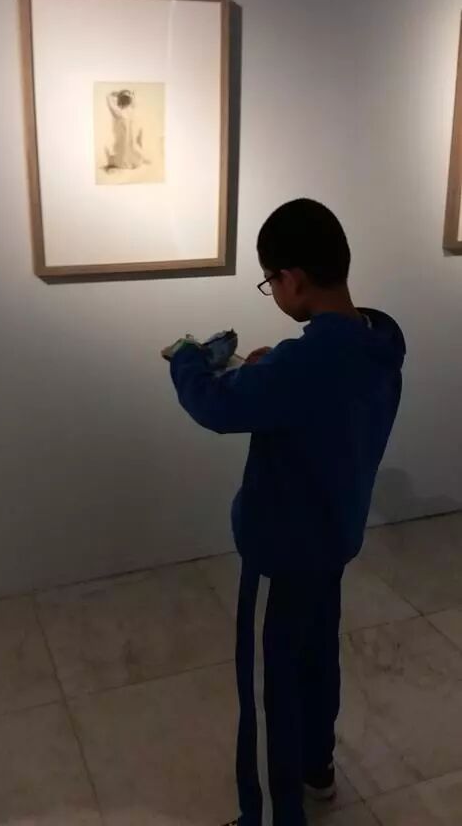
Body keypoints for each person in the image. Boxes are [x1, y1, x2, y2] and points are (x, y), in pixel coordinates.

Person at [167, 198, 405, 826]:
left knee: (271, 682)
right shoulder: (377, 342)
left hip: (283, 549)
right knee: (317, 659)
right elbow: (313, 392)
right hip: (333, 537)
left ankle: (272, 814)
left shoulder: (307, 364)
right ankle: (317, 768)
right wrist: (275, 366)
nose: (272, 291)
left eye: (270, 280)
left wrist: (187, 358)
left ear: (293, 278)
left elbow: (217, 407)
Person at [105, 89, 148, 171]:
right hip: (136, 158)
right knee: (134, 146)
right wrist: (130, 95)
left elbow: (110, 103)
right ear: (130, 101)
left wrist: (110, 94)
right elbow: (134, 100)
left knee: (114, 155)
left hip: (123, 156)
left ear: (119, 101)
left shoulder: (119, 113)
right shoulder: (133, 112)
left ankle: (114, 159)